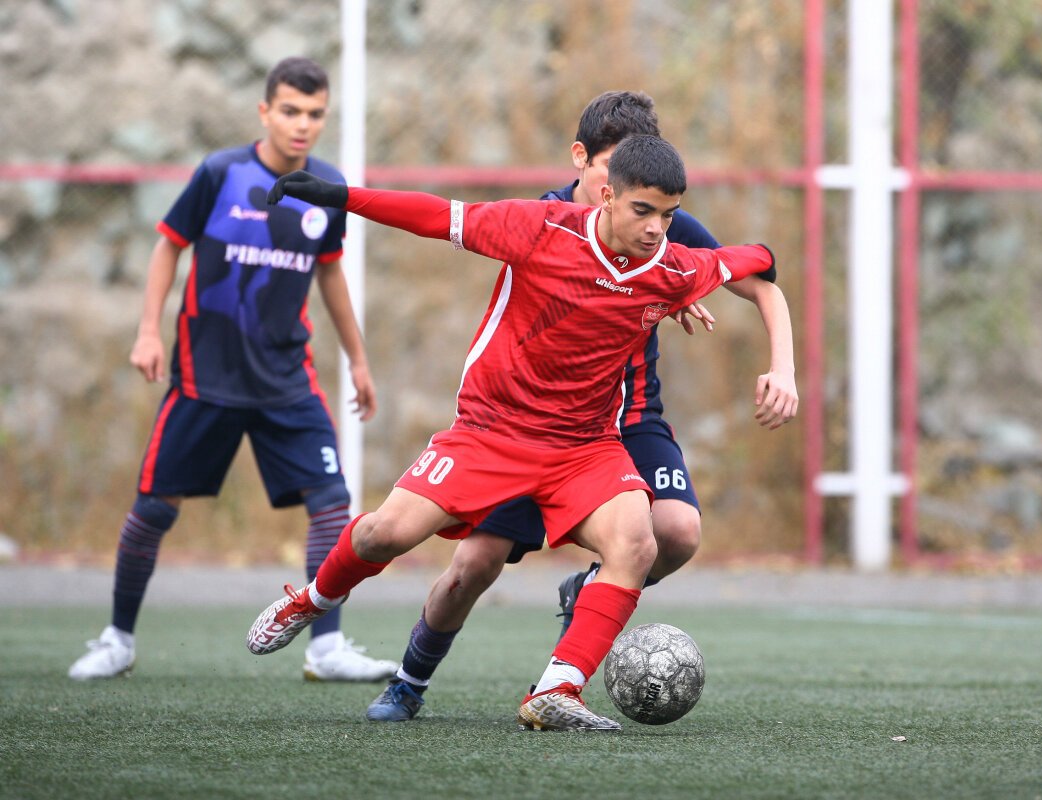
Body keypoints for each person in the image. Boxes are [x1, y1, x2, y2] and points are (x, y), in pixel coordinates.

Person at [247, 134, 783, 730]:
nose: (657, 228)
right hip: (491, 432)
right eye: (643, 210)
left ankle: (557, 690)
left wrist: (764, 258)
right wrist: (341, 196)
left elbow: (747, 260)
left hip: (585, 447)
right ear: (607, 196)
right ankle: (312, 600)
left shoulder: (674, 268)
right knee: (385, 535)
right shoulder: (539, 227)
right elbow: (434, 216)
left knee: (638, 543)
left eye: (669, 214)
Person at [68, 57, 397, 684]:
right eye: (291, 111)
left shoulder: (326, 186)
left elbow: (329, 273)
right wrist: (147, 331)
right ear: (265, 112)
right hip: (205, 379)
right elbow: (168, 244)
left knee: (333, 505)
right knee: (154, 508)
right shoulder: (221, 173)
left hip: (286, 381)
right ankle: (117, 639)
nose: (302, 124)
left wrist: (357, 360)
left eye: (315, 114)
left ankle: (326, 647)